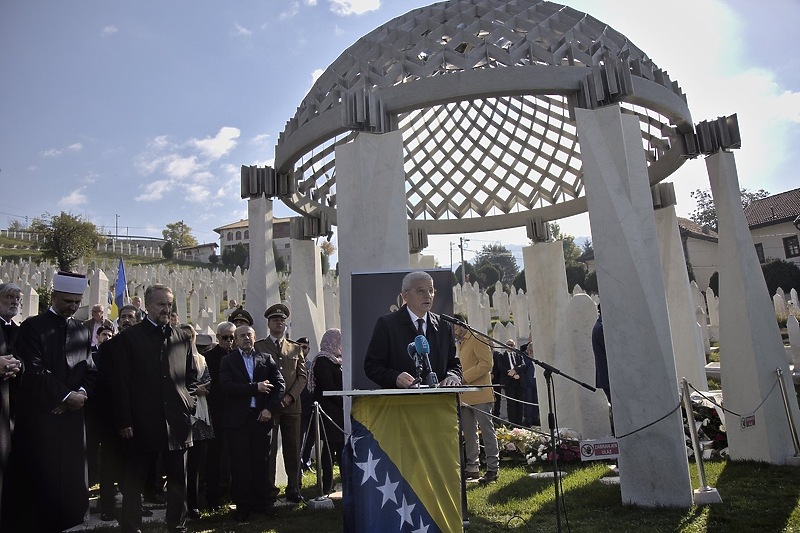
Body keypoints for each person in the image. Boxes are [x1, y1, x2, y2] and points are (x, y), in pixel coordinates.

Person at [5, 272, 95, 533]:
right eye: (68, 301)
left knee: (71, 477)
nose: (73, 307)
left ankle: (72, 518)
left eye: (77, 302)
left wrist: (79, 395)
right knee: (41, 478)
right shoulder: (33, 327)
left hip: (73, 415)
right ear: (54, 296)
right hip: (43, 415)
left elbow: (89, 369)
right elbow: (32, 369)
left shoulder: (81, 329)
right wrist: (64, 397)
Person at [113, 284, 198, 533]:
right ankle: (130, 527)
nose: (166, 308)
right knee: (135, 480)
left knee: (177, 480)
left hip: (177, 421)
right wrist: (124, 420)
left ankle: (177, 526)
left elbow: (191, 376)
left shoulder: (181, 337)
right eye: (161, 304)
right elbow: (120, 383)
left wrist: (188, 402)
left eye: (169, 304)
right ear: (147, 305)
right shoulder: (129, 338)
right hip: (142, 421)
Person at [220, 325, 284, 522]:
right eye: (242, 336)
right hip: (238, 421)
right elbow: (227, 387)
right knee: (240, 465)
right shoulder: (228, 361)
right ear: (235, 340)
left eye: (249, 335)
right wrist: (255, 388)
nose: (246, 338)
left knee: (261, 464)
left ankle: (262, 505)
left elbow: (279, 385)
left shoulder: (265, 359)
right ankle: (242, 507)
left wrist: (269, 409)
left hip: (261, 418)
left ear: (255, 338)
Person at [364, 270, 462, 389]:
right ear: (405, 295)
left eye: (431, 290)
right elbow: (372, 366)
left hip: (439, 401)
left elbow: (454, 364)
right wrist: (395, 377)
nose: (428, 295)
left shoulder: (444, 325)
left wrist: (453, 376)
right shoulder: (387, 324)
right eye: (421, 291)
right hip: (401, 403)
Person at [254, 303, 307, 505]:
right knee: (268, 449)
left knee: (293, 448)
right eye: (276, 320)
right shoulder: (260, 346)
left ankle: (294, 488)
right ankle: (269, 490)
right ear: (269, 323)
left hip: (292, 406)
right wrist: (273, 399)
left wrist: (289, 397)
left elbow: (302, 377)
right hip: (269, 405)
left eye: (282, 320)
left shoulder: (294, 347)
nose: (279, 323)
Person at [94, 304, 139, 522]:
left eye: (131, 316)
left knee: (135, 465)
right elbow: (103, 384)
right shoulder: (108, 347)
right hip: (112, 416)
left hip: (139, 416)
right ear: (119, 321)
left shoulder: (144, 345)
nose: (127, 320)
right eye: (124, 317)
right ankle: (108, 506)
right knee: (110, 464)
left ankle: (134, 505)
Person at [453, 314, 499, 484]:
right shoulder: (460, 344)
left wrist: (464, 378)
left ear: (461, 324)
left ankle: (493, 469)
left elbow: (486, 364)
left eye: (454, 327)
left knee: (487, 431)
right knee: (469, 433)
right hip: (464, 395)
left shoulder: (477, 338)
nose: (453, 331)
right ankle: (473, 467)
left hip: (480, 393)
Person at [179, 324, 214, 521]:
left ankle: (193, 504)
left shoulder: (201, 359)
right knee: (179, 464)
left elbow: (208, 379)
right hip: (181, 415)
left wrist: (200, 388)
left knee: (196, 464)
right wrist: (193, 390)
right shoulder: (171, 357)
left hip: (200, 416)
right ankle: (179, 503)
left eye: (190, 335)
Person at [203, 321, 236, 511]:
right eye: (225, 338)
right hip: (216, 412)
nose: (229, 341)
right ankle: (212, 497)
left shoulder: (238, 356)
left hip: (236, 413)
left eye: (232, 337)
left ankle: (234, 491)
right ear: (218, 338)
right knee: (213, 457)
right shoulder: (208, 357)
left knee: (235, 455)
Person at [307, 328, 344, 494]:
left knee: (342, 449)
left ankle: (345, 483)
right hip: (328, 411)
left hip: (340, 411)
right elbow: (328, 386)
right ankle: (326, 485)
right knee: (329, 450)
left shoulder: (338, 360)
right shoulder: (323, 360)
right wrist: (345, 400)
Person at [0, 283, 24, 525]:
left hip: (13, 410)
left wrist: (19, 366)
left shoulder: (19, 331)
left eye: (18, 298)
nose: (15, 301)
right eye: (9, 296)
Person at [492, 339, 525, 425]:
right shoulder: (502, 355)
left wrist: (515, 371)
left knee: (520, 403)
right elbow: (501, 367)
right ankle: (512, 424)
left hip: (519, 381)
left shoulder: (518, 354)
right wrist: (511, 374)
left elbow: (523, 364)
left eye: (511, 345)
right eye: (508, 344)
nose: (510, 346)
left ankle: (519, 423)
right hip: (508, 382)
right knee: (511, 404)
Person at [296, 336, 315, 472]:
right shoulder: (294, 364)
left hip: (311, 406)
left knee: (311, 437)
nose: (303, 350)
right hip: (298, 406)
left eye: (305, 347)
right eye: (300, 346)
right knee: (299, 437)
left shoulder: (311, 365)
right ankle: (299, 463)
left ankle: (306, 461)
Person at [592, 304, 611, 404]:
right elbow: (610, 352)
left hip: (608, 378)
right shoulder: (601, 328)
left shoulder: (601, 325)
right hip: (609, 378)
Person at [520, 341, 540, 426]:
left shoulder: (537, 358)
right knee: (529, 401)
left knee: (536, 401)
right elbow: (523, 367)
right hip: (528, 383)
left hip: (537, 382)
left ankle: (535, 418)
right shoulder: (525, 358)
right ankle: (528, 420)